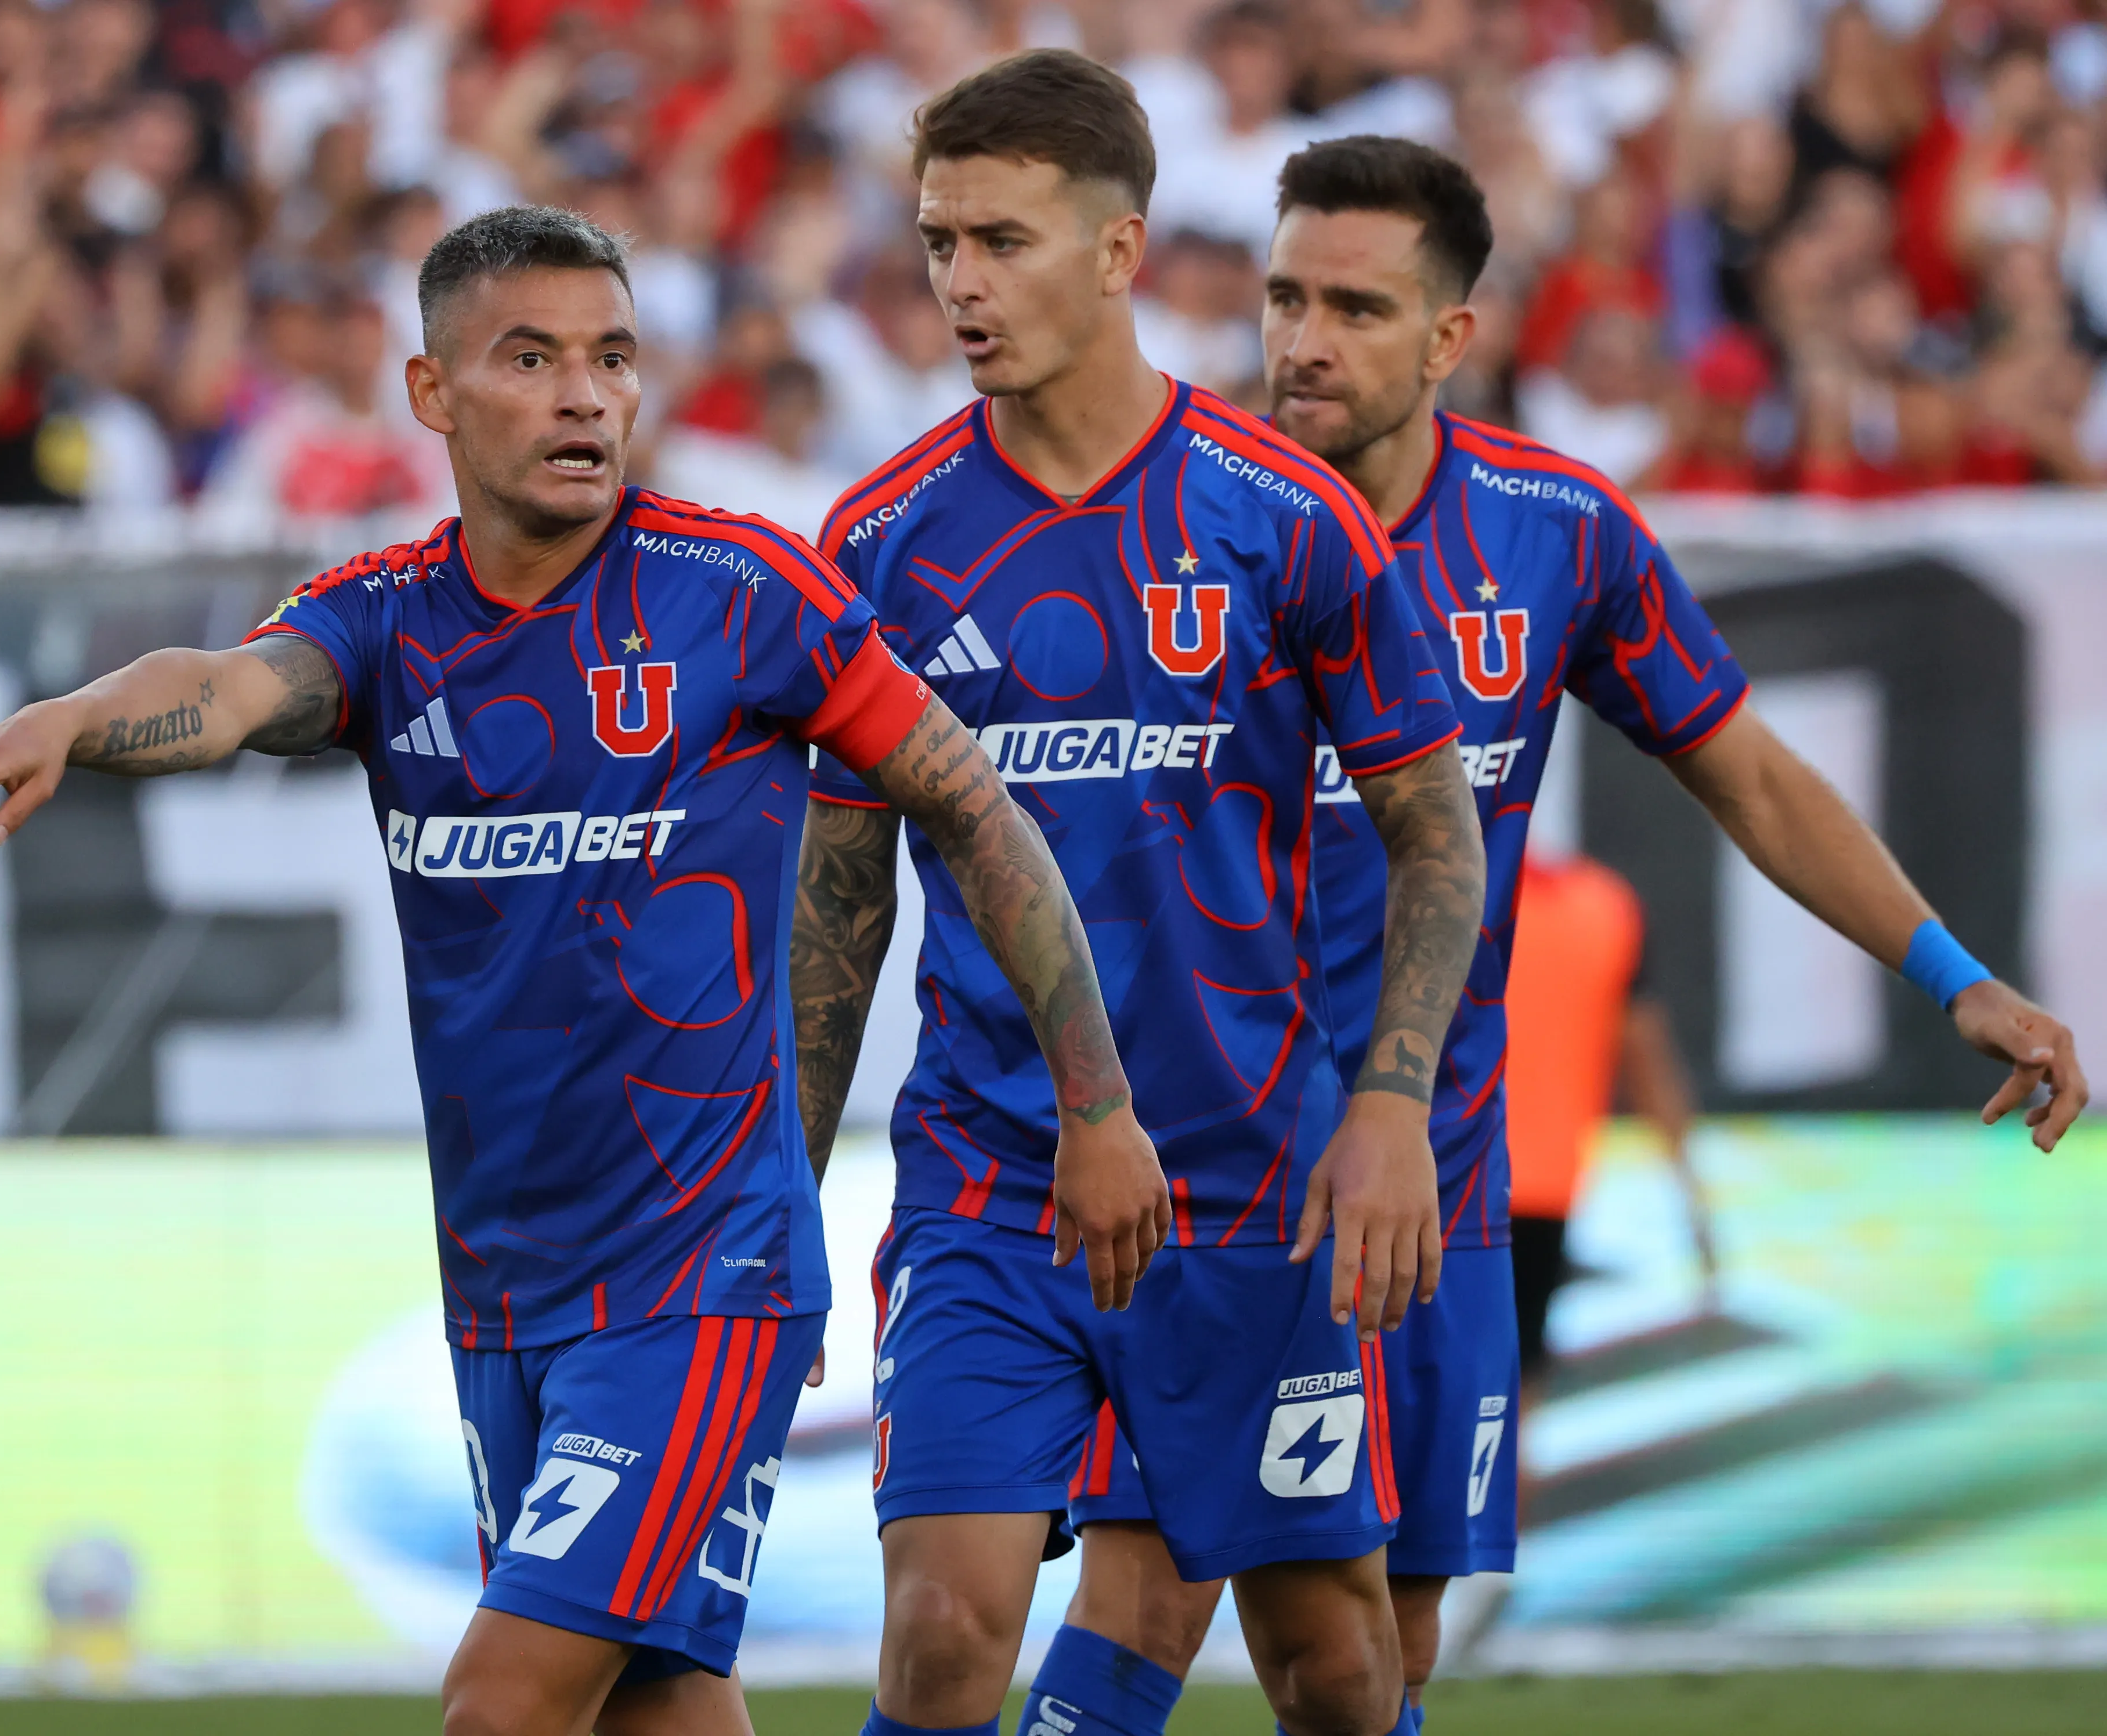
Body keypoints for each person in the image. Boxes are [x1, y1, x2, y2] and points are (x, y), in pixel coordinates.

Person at [0, 204, 1170, 1736]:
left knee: (500, 1710)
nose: (585, 396)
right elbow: (227, 689)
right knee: (659, 1710)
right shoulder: (383, 624)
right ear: (433, 393)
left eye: (613, 359)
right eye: (531, 359)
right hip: (507, 1296)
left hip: (698, 1282)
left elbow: (980, 808)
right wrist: (75, 716)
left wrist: (1097, 1108)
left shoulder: (745, 593)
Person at [1060, 135, 2088, 1727]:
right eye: (1284, 298)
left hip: (1435, 1178)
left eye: (1354, 305)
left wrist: (1952, 977)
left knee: (1371, 1658)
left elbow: (1744, 770)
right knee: (1140, 1599)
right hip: (1216, 1160)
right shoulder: (1168, 522)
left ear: (1450, 339)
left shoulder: (1555, 533)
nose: (1304, 341)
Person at [793, 56, 1484, 1736]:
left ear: (1117, 254)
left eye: (1005, 240)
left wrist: (1392, 1098)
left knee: (1332, 1668)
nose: (962, 282)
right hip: (989, 1181)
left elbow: (1435, 835)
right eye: (941, 240)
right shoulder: (882, 541)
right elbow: (841, 910)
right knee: (945, 1638)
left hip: (1253, 1186)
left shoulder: (1285, 516)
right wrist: (781, 1202)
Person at [1505, 846, 1715, 1395]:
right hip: (1541, 1192)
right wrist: (1693, 1199)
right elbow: (1649, 1063)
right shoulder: (1599, 904)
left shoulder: (1408, 883)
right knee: (1509, 1406)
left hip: (1429, 1183)